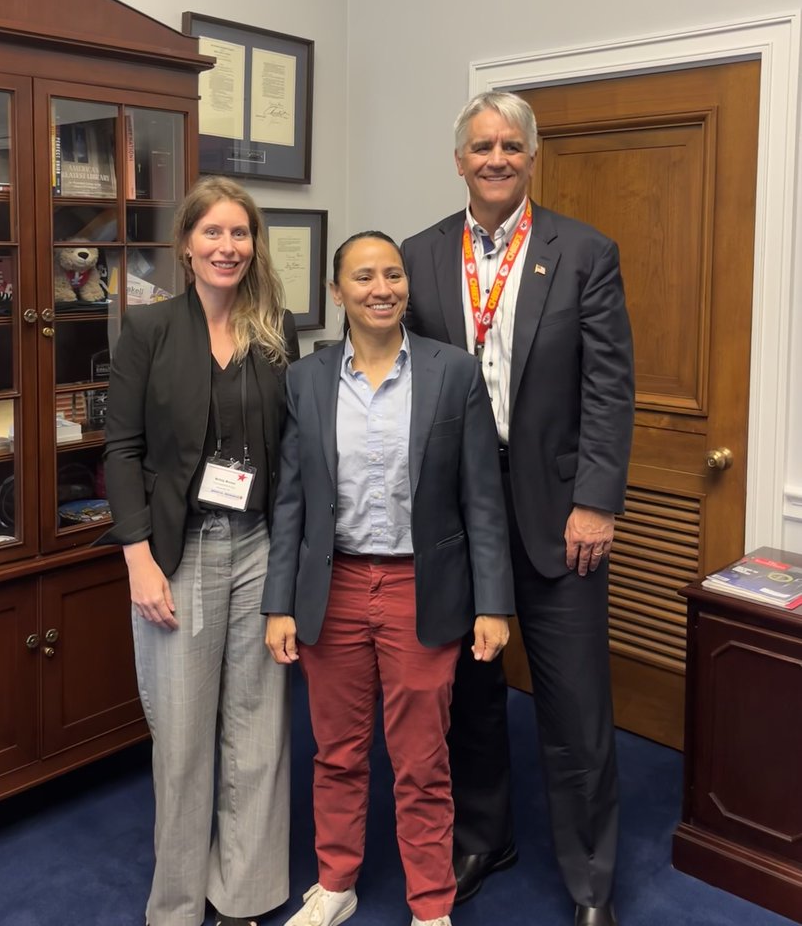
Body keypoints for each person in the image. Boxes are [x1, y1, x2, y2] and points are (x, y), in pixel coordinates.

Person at [400, 91, 634, 926]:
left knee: (576, 708)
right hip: (460, 521)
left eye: (511, 146)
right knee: (469, 693)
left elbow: (609, 388)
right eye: (480, 146)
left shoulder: (584, 252)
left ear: (533, 157)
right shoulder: (420, 256)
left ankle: (592, 881)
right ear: (458, 159)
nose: (495, 159)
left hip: (559, 518)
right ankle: (483, 836)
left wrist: (597, 503)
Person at [262, 231, 514, 926]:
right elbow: (291, 502)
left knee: (421, 760)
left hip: (420, 590)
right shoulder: (306, 380)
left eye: (394, 275)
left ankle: (430, 905)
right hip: (333, 588)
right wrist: (278, 603)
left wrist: (494, 603)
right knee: (336, 752)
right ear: (337, 292)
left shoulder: (451, 373)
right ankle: (336, 882)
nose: (383, 288)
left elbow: (482, 499)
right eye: (365, 277)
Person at [98, 175, 300, 926]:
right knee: (181, 742)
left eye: (240, 233)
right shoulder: (149, 330)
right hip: (176, 553)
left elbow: (290, 452)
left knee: (258, 730)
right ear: (186, 245)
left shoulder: (271, 329)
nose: (227, 246)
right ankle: (177, 907)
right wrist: (137, 557)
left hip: (257, 548)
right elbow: (120, 451)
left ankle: (244, 895)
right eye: (212, 233)